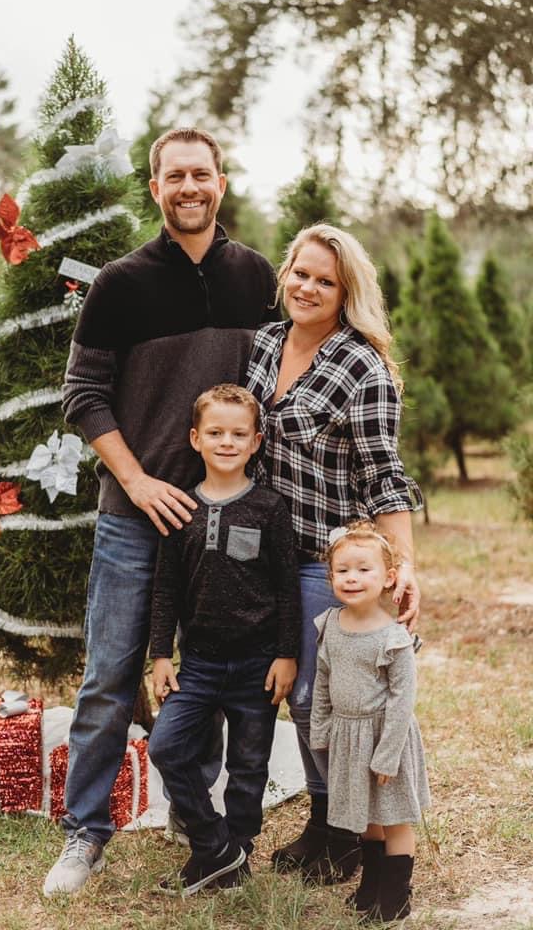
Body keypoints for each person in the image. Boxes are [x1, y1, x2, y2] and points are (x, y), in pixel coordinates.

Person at [44, 128, 277, 897]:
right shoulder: (120, 283)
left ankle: (191, 810)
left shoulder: (256, 277)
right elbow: (82, 394)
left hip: (223, 518)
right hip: (134, 515)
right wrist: (138, 480)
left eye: (201, 174)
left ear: (221, 182)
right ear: (155, 188)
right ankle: (86, 831)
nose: (189, 187)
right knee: (111, 675)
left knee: (208, 666)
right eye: (174, 176)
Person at [244, 223, 423, 883]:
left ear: (346, 293)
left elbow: (384, 476)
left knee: (326, 695)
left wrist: (402, 565)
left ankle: (346, 832)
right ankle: (326, 820)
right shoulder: (264, 344)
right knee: (289, 695)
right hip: (264, 556)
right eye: (301, 273)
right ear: (285, 274)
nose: (309, 288)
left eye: (326, 281)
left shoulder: (360, 366)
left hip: (328, 560)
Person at [147, 384, 301, 895]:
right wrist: (160, 655)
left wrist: (287, 654)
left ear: (256, 442)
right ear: (196, 439)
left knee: (248, 766)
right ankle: (214, 845)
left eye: (238, 434)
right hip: (199, 664)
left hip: (258, 663)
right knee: (167, 747)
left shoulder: (269, 508)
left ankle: (237, 853)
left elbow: (287, 589)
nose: (227, 442)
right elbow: (165, 589)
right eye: (215, 433)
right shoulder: (181, 509)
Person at [310, 520, 430, 922]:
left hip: (384, 738)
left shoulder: (393, 638)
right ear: (330, 577)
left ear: (388, 578)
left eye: (364, 569)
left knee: (393, 818)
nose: (352, 578)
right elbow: (322, 681)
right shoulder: (330, 625)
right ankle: (371, 886)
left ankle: (395, 897)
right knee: (365, 818)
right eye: (342, 570)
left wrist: (387, 755)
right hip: (348, 736)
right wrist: (321, 730)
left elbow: (402, 701)